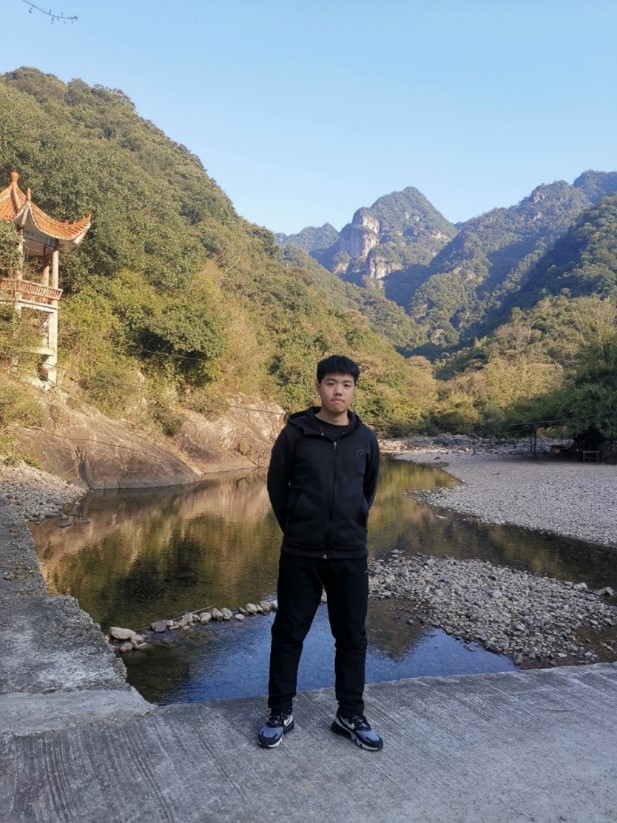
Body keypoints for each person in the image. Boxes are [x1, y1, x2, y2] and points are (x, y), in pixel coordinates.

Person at [257, 354, 383, 751]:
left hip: (349, 553)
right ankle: (280, 711)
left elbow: (368, 490)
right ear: (319, 387)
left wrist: (352, 523)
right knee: (288, 632)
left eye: (346, 384)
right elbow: (277, 487)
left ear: (354, 390)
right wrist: (298, 529)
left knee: (352, 636)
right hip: (302, 552)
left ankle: (350, 713)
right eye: (331, 383)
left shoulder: (365, 439)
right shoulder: (295, 434)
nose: (338, 391)